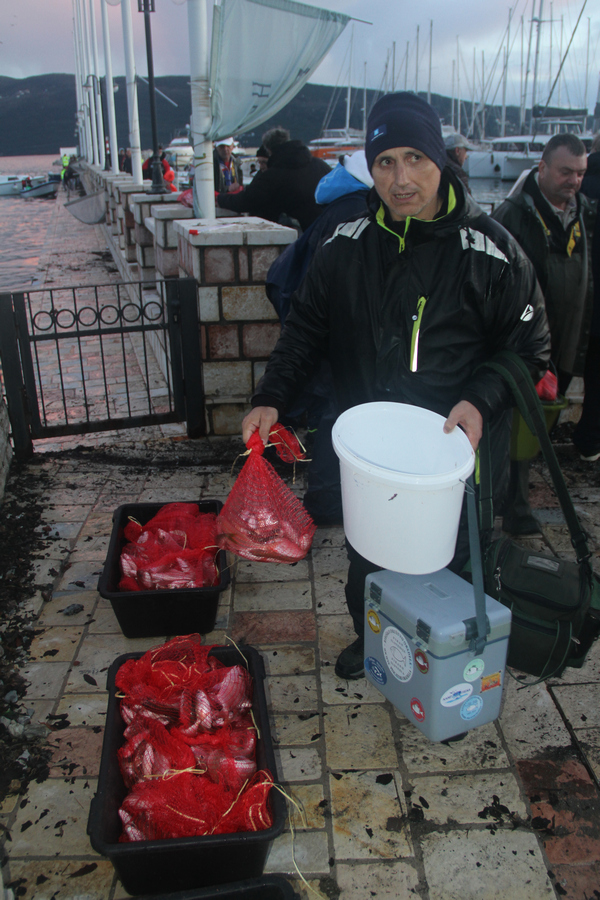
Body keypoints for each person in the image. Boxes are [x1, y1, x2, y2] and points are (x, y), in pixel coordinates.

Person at [242, 91, 551, 680]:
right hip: (373, 454)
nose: (401, 179)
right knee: (370, 556)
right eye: (385, 161)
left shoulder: (491, 250)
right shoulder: (343, 244)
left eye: (416, 159)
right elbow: (303, 331)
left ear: (441, 160)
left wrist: (481, 398)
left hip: (454, 450)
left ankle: (445, 667)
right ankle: (374, 641)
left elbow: (530, 346)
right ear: (370, 166)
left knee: (453, 561)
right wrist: (270, 397)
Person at [493, 132, 595, 533]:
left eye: (581, 173)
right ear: (542, 168)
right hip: (525, 344)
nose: (575, 180)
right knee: (519, 424)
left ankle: (516, 496)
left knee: (539, 427)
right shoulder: (513, 215)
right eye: (566, 171)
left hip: (568, 341)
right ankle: (515, 509)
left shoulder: (585, 213)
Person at [266, 150, 374, 525]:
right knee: (333, 411)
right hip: (329, 326)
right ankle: (325, 502)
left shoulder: (344, 204)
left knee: (324, 408)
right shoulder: (357, 211)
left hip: (312, 314)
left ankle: (318, 486)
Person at [216, 127, 331, 232]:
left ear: (269, 150)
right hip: (331, 227)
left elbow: (247, 200)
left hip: (309, 234)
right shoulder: (320, 165)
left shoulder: (274, 175)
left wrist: (220, 199)